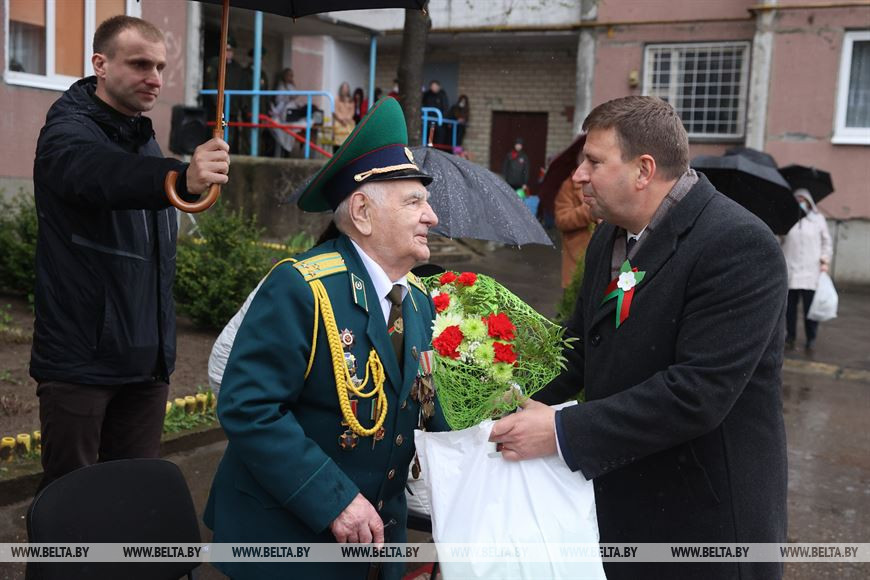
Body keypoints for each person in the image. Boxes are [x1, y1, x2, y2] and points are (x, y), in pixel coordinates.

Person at [489, 96, 788, 580]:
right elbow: (582, 348)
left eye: (594, 161)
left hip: (703, 525)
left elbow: (697, 394)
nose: (579, 175)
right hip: (625, 503)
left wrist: (562, 432)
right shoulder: (610, 236)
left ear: (643, 170)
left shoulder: (738, 245)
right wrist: (495, 400)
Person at [204, 97, 449, 579]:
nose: (432, 217)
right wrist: (335, 501)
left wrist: (493, 434)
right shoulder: (302, 287)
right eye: (415, 201)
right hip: (291, 541)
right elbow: (248, 408)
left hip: (375, 545)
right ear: (362, 211)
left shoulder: (417, 299)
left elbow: (415, 408)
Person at [30, 15, 230, 491]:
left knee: (130, 502)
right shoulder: (66, 133)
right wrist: (179, 178)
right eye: (140, 64)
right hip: (81, 363)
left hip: (146, 364)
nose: (155, 78)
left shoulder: (142, 136)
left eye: (160, 66)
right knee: (70, 509)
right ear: (100, 64)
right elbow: (101, 174)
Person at [781, 189, 833, 354]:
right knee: (790, 310)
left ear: (810, 202)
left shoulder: (818, 220)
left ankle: (811, 339)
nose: (801, 202)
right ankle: (790, 338)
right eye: (798, 199)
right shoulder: (786, 220)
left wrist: (825, 260)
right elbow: (779, 242)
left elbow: (826, 243)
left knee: (811, 310)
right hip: (791, 272)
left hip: (811, 273)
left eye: (804, 199)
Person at [204, 36, 247, 153]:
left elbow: (240, 86)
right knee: (215, 131)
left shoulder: (237, 67)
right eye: (226, 50)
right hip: (217, 108)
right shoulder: (215, 63)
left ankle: (226, 154)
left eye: (230, 51)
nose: (228, 53)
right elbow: (210, 83)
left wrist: (239, 105)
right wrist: (218, 101)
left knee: (229, 132)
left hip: (231, 108)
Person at [554, 174, 596, 288]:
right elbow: (561, 220)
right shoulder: (569, 185)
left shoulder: (607, 184)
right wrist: (587, 211)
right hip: (576, 256)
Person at [422, 80, 450, 146]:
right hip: (428, 120)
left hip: (439, 121)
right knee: (428, 139)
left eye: (435, 86)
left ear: (438, 86)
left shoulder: (442, 95)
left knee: (438, 138)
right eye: (432, 86)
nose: (433, 88)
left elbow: (445, 108)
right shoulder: (427, 95)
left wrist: (441, 119)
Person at [332, 81, 355, 152]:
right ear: (341, 89)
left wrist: (347, 118)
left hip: (348, 122)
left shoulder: (351, 100)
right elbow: (335, 110)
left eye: (346, 88)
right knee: (338, 140)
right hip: (339, 122)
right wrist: (341, 119)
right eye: (343, 88)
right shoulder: (337, 99)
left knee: (349, 139)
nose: (345, 89)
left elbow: (352, 111)